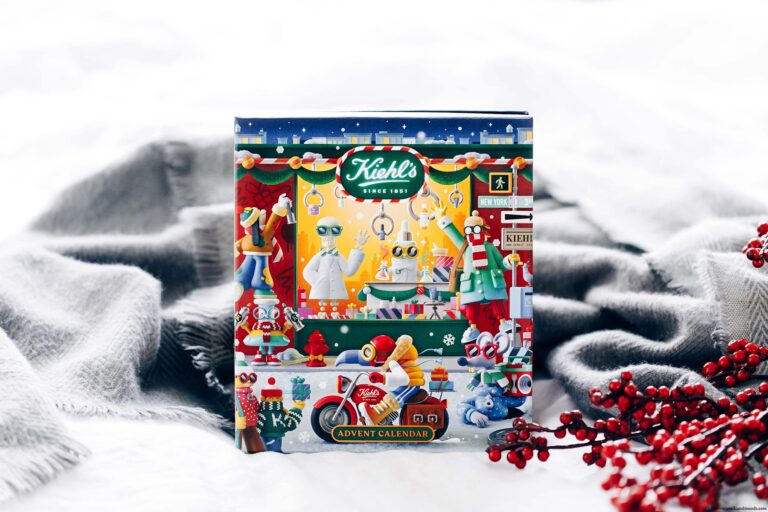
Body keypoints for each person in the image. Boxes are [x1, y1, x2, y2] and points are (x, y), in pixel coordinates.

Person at [432, 204, 522, 343]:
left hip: (491, 283)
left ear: (483, 230)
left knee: (497, 304)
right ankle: (472, 329)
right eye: (469, 230)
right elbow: (453, 235)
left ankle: (504, 323)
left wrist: (509, 261)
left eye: (476, 229)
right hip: (472, 285)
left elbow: (501, 264)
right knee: (471, 308)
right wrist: (442, 218)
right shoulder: (465, 246)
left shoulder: (490, 247)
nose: (473, 233)